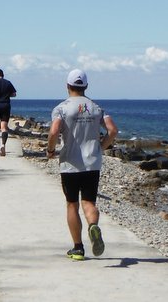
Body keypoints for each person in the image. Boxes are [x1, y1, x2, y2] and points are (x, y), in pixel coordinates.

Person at [47, 69, 118, 260]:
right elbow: (112, 130)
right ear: (85, 86)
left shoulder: (62, 108)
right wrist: (101, 148)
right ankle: (93, 226)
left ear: (68, 86)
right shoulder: (96, 108)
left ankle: (78, 248)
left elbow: (54, 131)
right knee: (89, 202)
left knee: (72, 204)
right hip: (92, 163)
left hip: (70, 164)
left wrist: (50, 150)